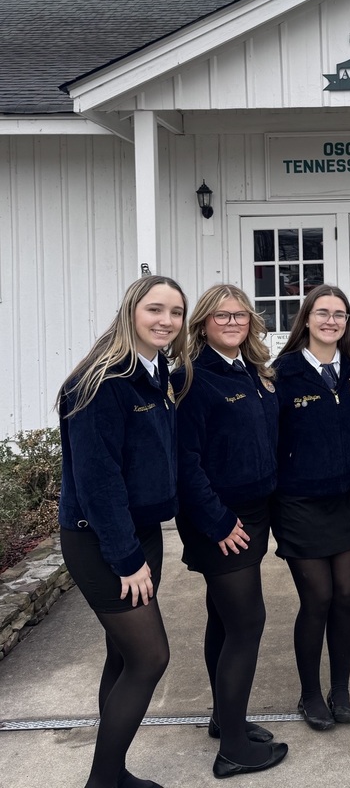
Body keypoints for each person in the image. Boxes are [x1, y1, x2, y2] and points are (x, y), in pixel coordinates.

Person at [57, 275, 190, 788]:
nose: (166, 321)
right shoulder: (101, 381)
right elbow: (97, 481)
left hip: (141, 532)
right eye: (155, 309)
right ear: (131, 311)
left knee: (123, 653)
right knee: (150, 657)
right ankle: (102, 782)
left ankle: (113, 773)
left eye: (176, 312)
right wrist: (126, 557)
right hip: (102, 539)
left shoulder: (159, 375)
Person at [172, 285, 288, 777]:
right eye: (222, 316)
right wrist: (218, 521)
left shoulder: (254, 370)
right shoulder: (193, 379)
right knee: (246, 624)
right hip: (221, 521)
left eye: (241, 315)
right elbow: (184, 462)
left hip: (254, 514)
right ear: (202, 324)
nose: (233, 322)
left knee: (223, 620)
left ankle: (226, 718)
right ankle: (235, 749)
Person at [271, 285, 350, 731]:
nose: (331, 321)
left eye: (340, 315)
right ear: (306, 318)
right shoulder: (281, 374)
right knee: (318, 598)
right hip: (298, 504)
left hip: (347, 499)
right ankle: (310, 694)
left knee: (345, 597)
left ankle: (341, 691)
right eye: (323, 313)